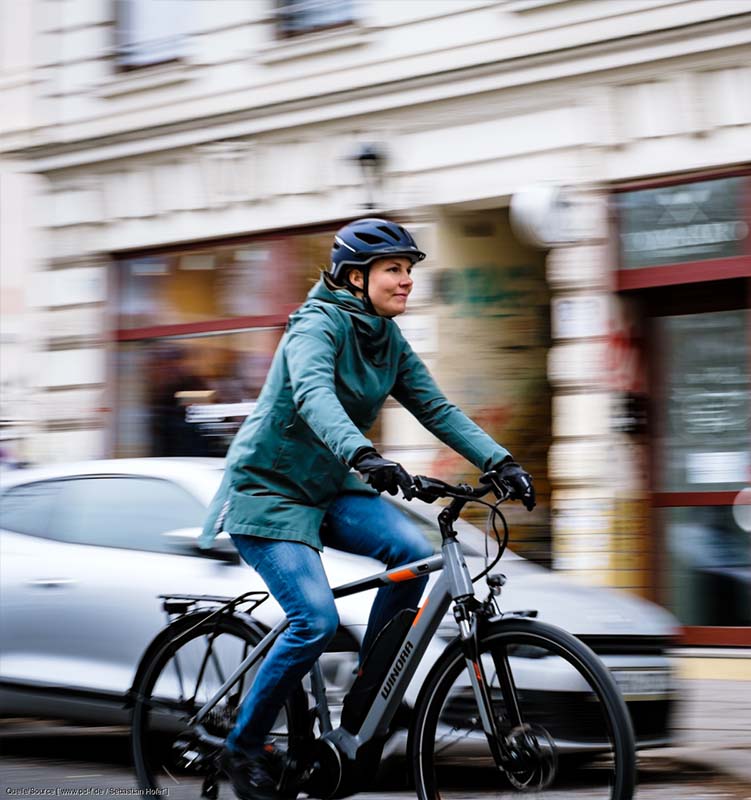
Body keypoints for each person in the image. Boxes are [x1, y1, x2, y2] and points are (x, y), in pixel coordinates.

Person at [198, 218, 535, 800]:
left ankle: (365, 701)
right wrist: (365, 454)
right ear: (355, 277)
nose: (407, 281)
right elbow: (313, 394)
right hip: (270, 491)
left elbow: (436, 407)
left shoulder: (388, 338)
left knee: (410, 551)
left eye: (409, 270)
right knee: (315, 621)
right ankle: (242, 746)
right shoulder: (315, 325)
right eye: (394, 270)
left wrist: (499, 460)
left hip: (328, 487)